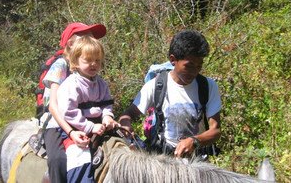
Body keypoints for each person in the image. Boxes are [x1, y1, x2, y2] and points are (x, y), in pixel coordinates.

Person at [119, 30, 221, 158]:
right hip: (164, 161)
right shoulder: (156, 86)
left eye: (199, 66)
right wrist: (125, 124)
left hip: (197, 163)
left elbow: (215, 130)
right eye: (189, 66)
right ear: (173, 60)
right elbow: (128, 114)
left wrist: (194, 141)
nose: (194, 72)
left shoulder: (208, 86)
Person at [41, 22, 107, 183]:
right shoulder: (61, 65)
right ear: (71, 43)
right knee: (57, 160)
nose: (91, 40)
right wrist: (71, 132)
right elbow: (53, 105)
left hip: (82, 120)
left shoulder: (88, 67)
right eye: (87, 36)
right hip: (57, 123)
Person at [57, 36, 119, 182]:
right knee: (80, 159)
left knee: (132, 143)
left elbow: (106, 104)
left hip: (99, 124)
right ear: (75, 62)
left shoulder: (101, 84)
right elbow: (69, 112)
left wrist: (107, 117)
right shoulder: (71, 85)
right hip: (76, 127)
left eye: (97, 60)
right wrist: (90, 127)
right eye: (88, 60)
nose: (93, 64)